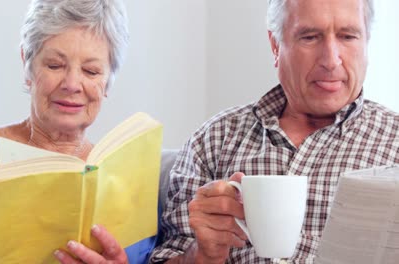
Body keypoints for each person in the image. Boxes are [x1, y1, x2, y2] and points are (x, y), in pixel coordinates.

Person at [150, 0, 399, 263]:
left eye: (348, 36)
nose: (331, 59)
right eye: (310, 37)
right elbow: (169, 255)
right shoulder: (215, 139)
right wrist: (201, 255)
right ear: (275, 45)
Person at [0, 0, 154, 263]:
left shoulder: (131, 185)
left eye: (91, 71)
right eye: (55, 65)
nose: (72, 84)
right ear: (28, 63)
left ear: (107, 82)